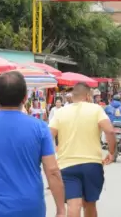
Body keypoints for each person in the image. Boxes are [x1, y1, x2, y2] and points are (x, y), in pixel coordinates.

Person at [0, 71, 65, 217]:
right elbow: (53, 171)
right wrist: (61, 210)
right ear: (25, 98)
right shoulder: (40, 128)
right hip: (30, 209)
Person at [49, 82, 116, 217]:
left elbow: (48, 135)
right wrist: (111, 152)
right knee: (90, 203)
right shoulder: (96, 109)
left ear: (73, 96)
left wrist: (54, 149)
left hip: (66, 165)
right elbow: (109, 130)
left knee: (74, 205)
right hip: (92, 164)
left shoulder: (60, 112)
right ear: (87, 96)